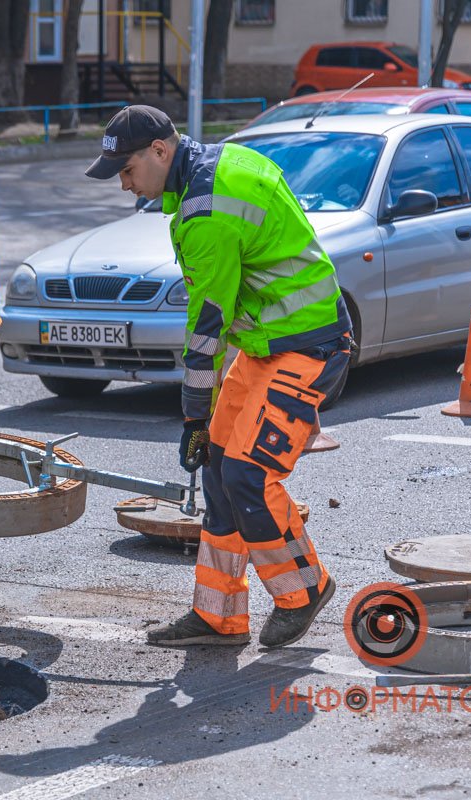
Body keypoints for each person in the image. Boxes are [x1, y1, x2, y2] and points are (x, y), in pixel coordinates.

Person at [85, 105, 352, 649]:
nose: (124, 184)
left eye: (127, 168)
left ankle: (305, 589)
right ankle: (219, 616)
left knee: (248, 477)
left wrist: (192, 417)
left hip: (307, 347)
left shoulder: (205, 214)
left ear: (161, 151)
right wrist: (204, 428)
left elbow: (206, 332)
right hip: (266, 346)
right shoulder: (222, 162)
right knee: (218, 472)